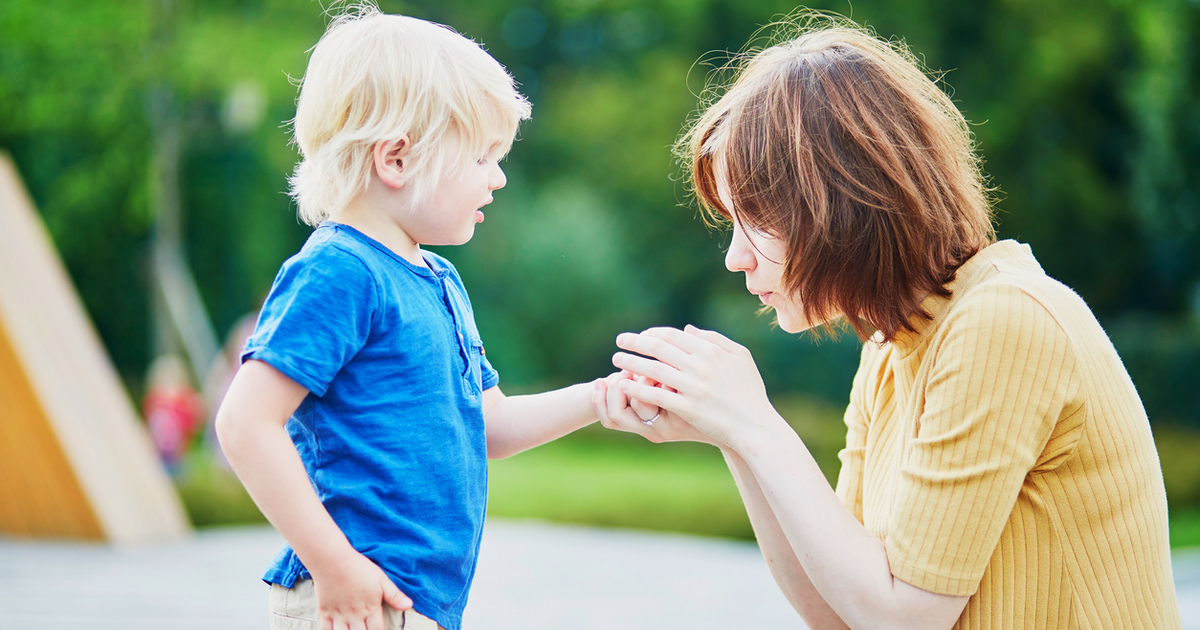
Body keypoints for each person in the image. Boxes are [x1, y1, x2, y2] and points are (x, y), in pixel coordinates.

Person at [593, 17, 1182, 630]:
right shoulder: (892, 345)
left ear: (841, 205)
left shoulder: (1004, 321)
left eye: (756, 220)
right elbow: (842, 612)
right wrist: (734, 436)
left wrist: (758, 425)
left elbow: (902, 620)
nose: (734, 256)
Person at [215, 7, 606, 630]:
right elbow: (245, 422)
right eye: (482, 157)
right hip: (353, 597)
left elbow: (489, 425)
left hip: (415, 603)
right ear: (395, 160)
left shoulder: (438, 281)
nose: (499, 177)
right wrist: (336, 566)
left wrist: (601, 398)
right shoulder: (341, 270)